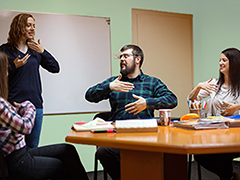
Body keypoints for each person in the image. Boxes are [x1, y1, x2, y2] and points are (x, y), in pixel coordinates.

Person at [85, 44, 178, 180]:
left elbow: (172, 100)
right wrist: (109, 87)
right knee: (103, 151)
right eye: (121, 56)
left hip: (145, 136)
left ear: (137, 59)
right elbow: (89, 96)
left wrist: (147, 103)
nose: (122, 59)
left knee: (170, 154)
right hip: (118, 136)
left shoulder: (152, 82)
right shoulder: (114, 82)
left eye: (126, 56)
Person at [0, 52, 89, 180]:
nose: (8, 73)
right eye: (5, 69)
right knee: (60, 166)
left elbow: (13, 118)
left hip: (21, 153)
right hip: (17, 161)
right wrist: (29, 106)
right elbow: (26, 127)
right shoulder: (1, 104)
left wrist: (20, 109)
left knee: (67, 150)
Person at [0, 13, 60, 148]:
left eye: (34, 25)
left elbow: (55, 68)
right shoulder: (5, 50)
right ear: (19, 27)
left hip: (35, 107)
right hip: (13, 107)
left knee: (33, 148)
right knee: (14, 150)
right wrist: (14, 66)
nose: (32, 29)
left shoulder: (35, 51)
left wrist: (43, 51)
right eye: (28, 25)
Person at [187, 47, 240, 180]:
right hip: (215, 134)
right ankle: (229, 177)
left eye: (224, 60)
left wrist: (237, 107)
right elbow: (191, 100)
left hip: (235, 136)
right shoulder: (214, 83)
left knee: (222, 154)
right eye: (220, 60)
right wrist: (198, 87)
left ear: (234, 63)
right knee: (199, 155)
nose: (220, 63)